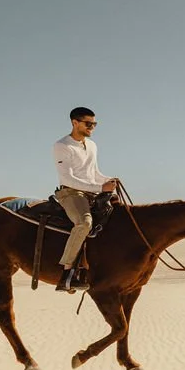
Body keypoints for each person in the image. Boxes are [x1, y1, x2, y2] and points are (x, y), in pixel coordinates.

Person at [52, 106, 118, 292]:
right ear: (75, 123)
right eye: (88, 124)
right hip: (71, 193)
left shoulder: (92, 145)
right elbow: (67, 178)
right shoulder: (62, 146)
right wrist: (99, 187)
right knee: (84, 223)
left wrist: (108, 180)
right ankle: (66, 275)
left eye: (94, 124)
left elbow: (94, 174)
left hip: (92, 192)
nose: (92, 127)